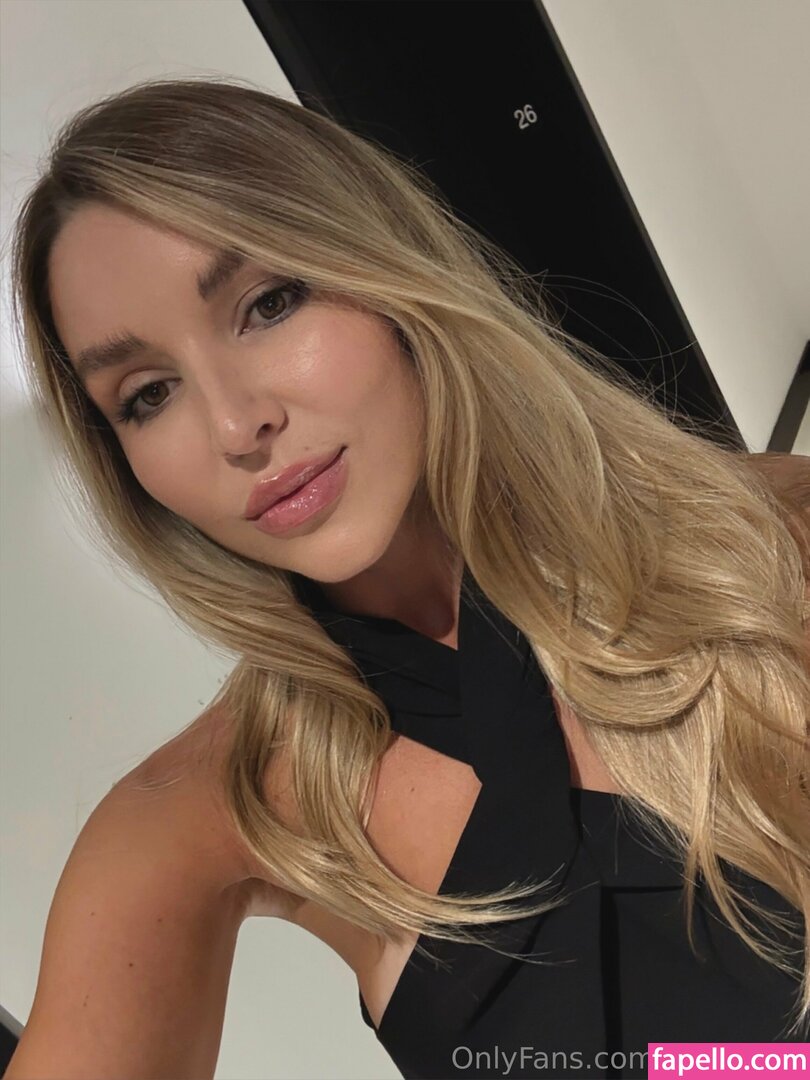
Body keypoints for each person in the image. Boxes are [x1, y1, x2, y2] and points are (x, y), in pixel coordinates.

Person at [5, 76, 809, 1080]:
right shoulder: (201, 814)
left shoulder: (764, 536)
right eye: (149, 393)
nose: (235, 425)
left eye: (268, 303)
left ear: (386, 269)